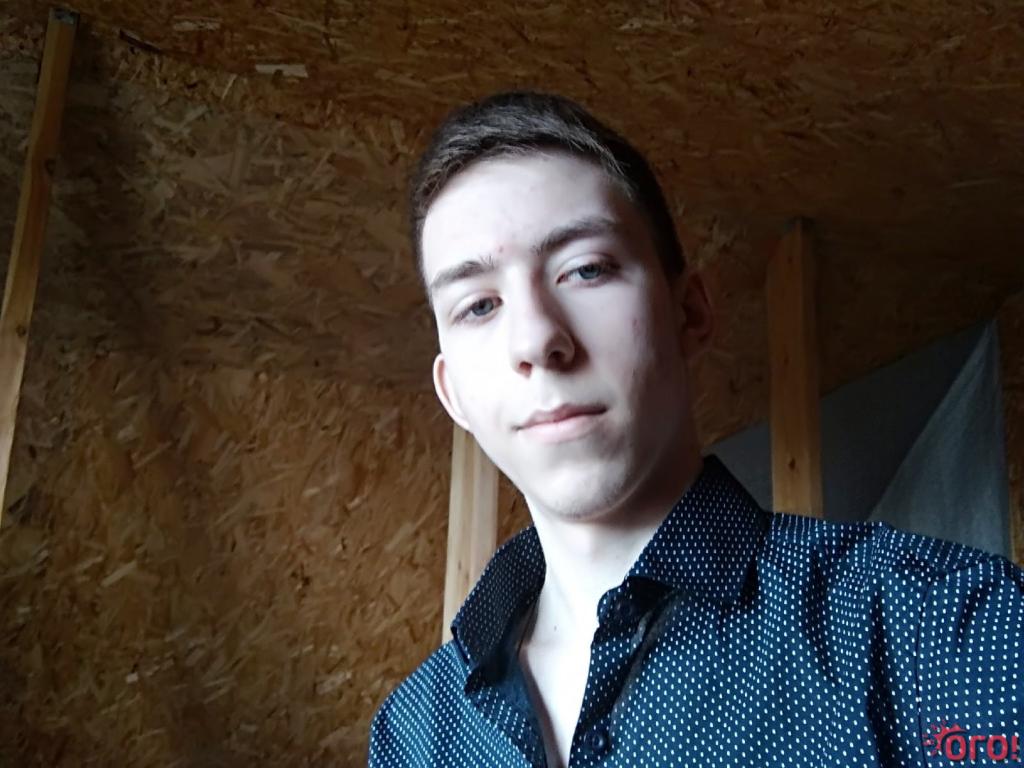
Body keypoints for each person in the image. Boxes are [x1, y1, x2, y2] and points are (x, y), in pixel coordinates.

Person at [368, 91, 1024, 768]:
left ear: (690, 314)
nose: (536, 338)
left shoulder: (947, 631)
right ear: (453, 394)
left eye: (586, 269)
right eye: (478, 306)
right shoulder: (412, 732)